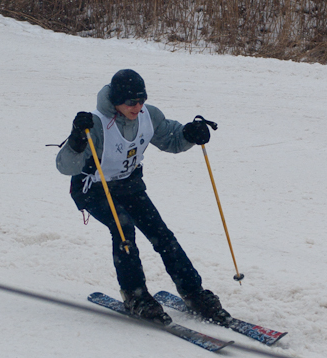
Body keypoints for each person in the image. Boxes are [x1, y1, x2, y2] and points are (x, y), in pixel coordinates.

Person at [56, 69, 231, 327]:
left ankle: (194, 293)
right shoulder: (95, 125)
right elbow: (65, 166)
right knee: (123, 228)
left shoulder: (149, 116)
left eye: (141, 100)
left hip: (129, 185)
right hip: (94, 188)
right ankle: (135, 295)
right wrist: (76, 140)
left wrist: (189, 134)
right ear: (116, 100)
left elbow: (172, 138)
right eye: (130, 102)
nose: (137, 107)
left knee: (162, 234)